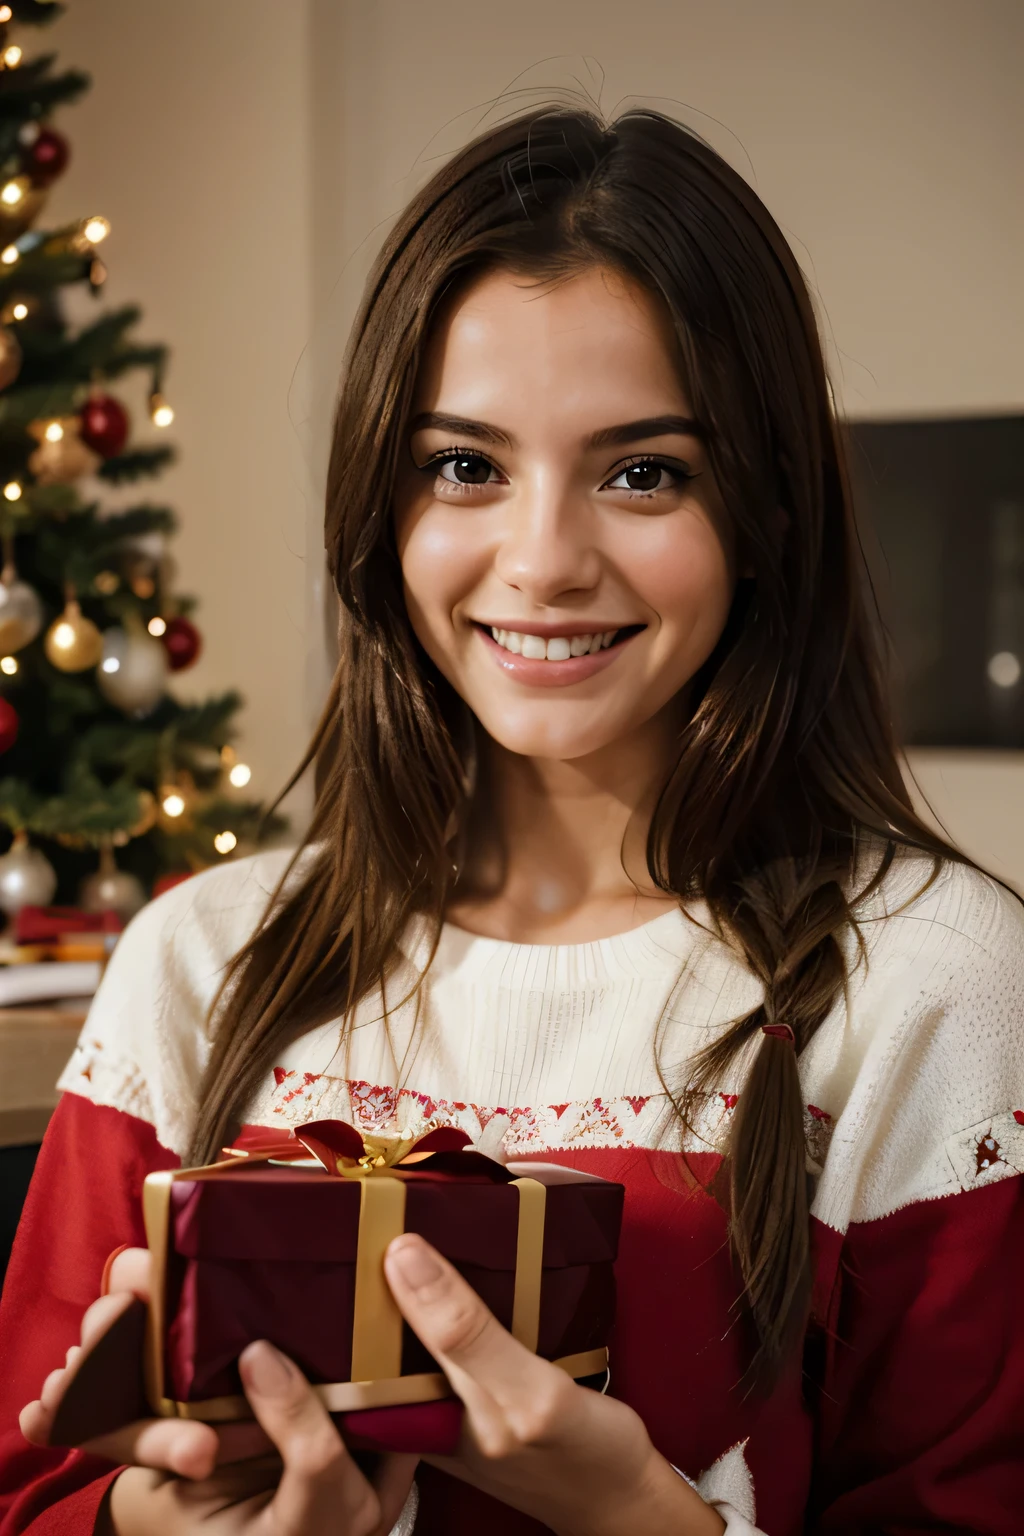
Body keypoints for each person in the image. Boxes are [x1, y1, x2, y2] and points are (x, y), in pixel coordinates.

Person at [1, 104, 1022, 1536]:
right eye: (464, 466)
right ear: (382, 501)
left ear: (769, 510)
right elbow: (28, 1490)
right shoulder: (198, 958)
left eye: (643, 471)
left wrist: (635, 1521)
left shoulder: (940, 982)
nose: (542, 562)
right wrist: (140, 1524)